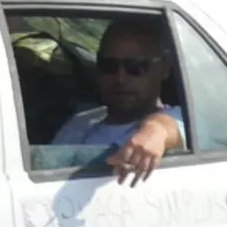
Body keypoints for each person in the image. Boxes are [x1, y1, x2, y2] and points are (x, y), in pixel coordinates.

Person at [51, 16, 186, 185]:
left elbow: (173, 127)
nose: (120, 78)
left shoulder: (179, 119)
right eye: (109, 65)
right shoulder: (81, 122)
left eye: (135, 67)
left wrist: (155, 131)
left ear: (164, 69)